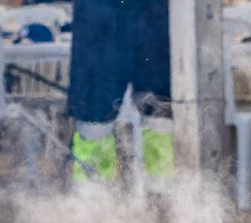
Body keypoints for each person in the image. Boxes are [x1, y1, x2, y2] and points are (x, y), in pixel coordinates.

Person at [66, 0, 174, 188]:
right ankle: (91, 198)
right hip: (99, 17)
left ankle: (162, 195)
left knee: (159, 113)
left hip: (152, 16)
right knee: (94, 119)